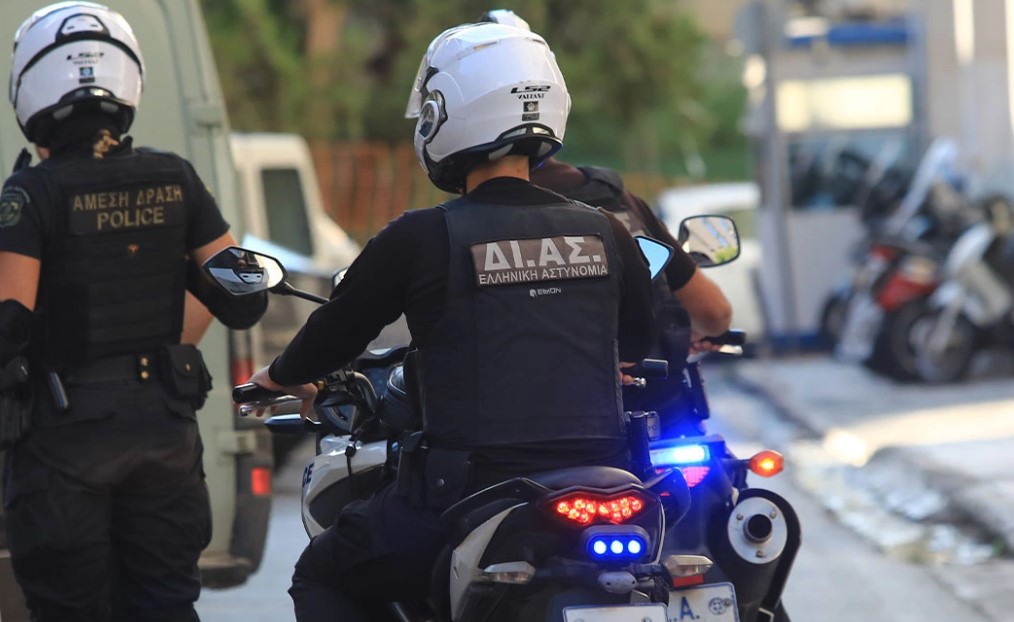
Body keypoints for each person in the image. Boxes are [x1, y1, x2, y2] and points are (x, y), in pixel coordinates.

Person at [244, 22, 655, 621]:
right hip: (607, 483)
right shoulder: (606, 230)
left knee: (323, 571)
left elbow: (335, 333)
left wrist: (277, 378)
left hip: (465, 493)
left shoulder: (423, 236)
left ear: (446, 113)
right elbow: (637, 342)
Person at [0, 3, 268, 620]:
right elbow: (245, 296)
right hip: (164, 435)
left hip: (65, 442)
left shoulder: (32, 192)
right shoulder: (176, 178)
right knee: (166, 603)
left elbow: (10, 325)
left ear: (31, 89)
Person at [475, 10, 732, 434]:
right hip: (657, 420)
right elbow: (715, 313)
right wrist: (695, 332)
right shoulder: (615, 202)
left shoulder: (457, 225)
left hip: (529, 437)